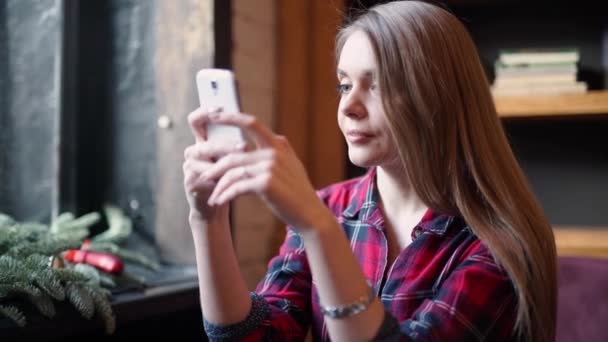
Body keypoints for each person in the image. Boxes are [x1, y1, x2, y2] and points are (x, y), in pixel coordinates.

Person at [182, 1, 557, 341]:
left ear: (438, 97)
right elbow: (252, 336)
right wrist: (207, 219)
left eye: (378, 86)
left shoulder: (497, 246)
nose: (349, 107)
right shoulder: (328, 206)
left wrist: (319, 230)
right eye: (344, 85)